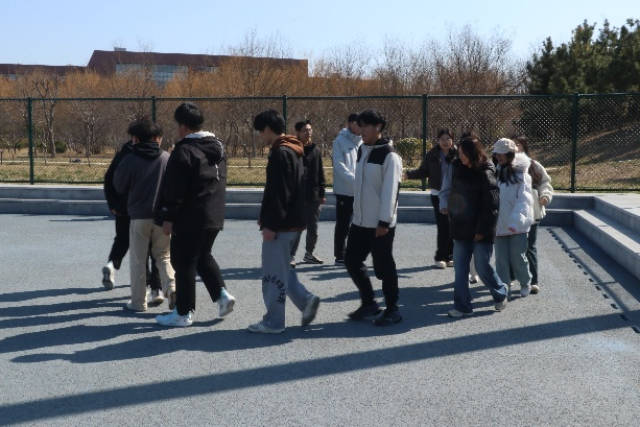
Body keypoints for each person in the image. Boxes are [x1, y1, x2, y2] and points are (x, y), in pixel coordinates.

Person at [155, 102, 236, 327]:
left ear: (183, 126)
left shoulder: (184, 151)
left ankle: (183, 313)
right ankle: (222, 296)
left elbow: (174, 189)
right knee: (203, 256)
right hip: (213, 214)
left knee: (183, 264)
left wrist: (168, 217)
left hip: (190, 217)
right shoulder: (218, 147)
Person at [248, 109, 321, 333]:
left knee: (273, 274)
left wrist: (271, 224)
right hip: (295, 221)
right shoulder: (294, 149)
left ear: (268, 129)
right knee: (283, 269)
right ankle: (305, 300)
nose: (260, 136)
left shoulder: (280, 153)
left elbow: (280, 193)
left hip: (282, 224)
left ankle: (274, 321)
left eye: (260, 131)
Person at [439, 133, 508, 317]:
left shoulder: (486, 172)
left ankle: (500, 292)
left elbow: (492, 206)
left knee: (482, 266)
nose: (460, 156)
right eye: (459, 153)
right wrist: (451, 211)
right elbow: (451, 193)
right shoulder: (456, 167)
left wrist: (482, 230)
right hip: (460, 227)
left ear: (473, 153)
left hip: (481, 230)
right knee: (460, 269)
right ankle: (462, 306)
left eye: (464, 153)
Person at [345, 109, 403, 326]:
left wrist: (384, 221)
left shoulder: (390, 155)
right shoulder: (362, 149)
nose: (360, 130)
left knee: (384, 267)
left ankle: (393, 309)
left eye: (364, 126)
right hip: (360, 221)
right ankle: (369, 302)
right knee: (352, 260)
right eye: (359, 125)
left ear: (378, 127)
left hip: (380, 223)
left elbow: (391, 191)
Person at [113, 119, 175, 312]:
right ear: (156, 138)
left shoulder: (130, 159)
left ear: (136, 138)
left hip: (139, 216)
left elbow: (119, 185)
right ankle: (171, 287)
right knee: (163, 256)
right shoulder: (166, 158)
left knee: (138, 260)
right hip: (162, 217)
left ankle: (139, 302)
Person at [102, 123, 163, 303]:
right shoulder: (159, 155)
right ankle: (157, 288)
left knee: (123, 239)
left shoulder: (123, 154)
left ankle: (112, 265)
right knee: (154, 249)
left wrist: (114, 204)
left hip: (124, 208)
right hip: (149, 208)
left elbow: (110, 178)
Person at [404, 128, 456, 269]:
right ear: (438, 140)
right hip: (437, 194)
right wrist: (409, 175)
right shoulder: (432, 154)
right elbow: (423, 171)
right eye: (442, 139)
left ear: (452, 140)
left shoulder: (457, 154)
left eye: (448, 139)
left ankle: (450, 256)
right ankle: (441, 257)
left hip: (455, 195)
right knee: (443, 226)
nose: (445, 142)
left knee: (452, 226)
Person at [492, 138, 535, 297]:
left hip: (518, 225)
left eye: (502, 153)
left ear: (510, 154)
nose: (499, 156)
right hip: (499, 224)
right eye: (497, 153)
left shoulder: (522, 175)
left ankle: (525, 282)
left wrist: (516, 221)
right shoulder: (494, 173)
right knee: (501, 259)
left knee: (518, 257)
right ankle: (503, 287)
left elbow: (524, 200)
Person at [514, 135, 553, 294]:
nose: (515, 147)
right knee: (512, 246)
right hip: (512, 213)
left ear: (524, 146)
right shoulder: (503, 166)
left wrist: (545, 196)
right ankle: (511, 276)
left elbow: (545, 183)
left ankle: (533, 280)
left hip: (533, 212)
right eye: (512, 144)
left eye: (518, 144)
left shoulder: (535, 165)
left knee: (530, 246)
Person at [290, 120, 326, 266]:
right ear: (298, 132)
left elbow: (320, 173)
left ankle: (309, 254)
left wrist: (322, 192)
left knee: (313, 227)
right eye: (305, 130)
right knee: (296, 227)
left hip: (313, 195)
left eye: (310, 130)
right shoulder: (292, 150)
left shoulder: (315, 150)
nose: (308, 132)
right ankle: (290, 255)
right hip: (297, 195)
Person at [332, 113, 362, 265]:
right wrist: (354, 180)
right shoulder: (340, 141)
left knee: (359, 223)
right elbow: (339, 165)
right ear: (350, 123)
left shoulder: (364, 141)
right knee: (343, 224)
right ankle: (340, 255)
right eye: (358, 123)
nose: (360, 126)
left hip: (361, 190)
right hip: (344, 190)